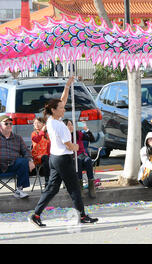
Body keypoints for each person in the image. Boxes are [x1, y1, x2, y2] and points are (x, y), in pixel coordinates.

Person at [29, 76, 98, 228]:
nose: (64, 109)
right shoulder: (61, 126)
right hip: (63, 159)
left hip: (54, 158)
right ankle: (83, 215)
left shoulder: (50, 120)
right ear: (54, 110)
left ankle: (36, 214)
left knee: (52, 189)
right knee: (74, 189)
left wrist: (67, 86)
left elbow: (62, 100)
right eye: (61, 108)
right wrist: (77, 147)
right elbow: (69, 146)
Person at [0, 115, 35, 199]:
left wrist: (30, 161)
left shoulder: (18, 138)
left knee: (23, 161)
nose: (9, 125)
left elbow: (26, 151)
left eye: (10, 124)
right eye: (6, 124)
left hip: (13, 165)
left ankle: (19, 190)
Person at [62, 119, 96, 198]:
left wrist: (86, 129)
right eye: (68, 125)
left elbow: (92, 139)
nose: (70, 126)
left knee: (88, 160)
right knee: (78, 161)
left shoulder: (78, 133)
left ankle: (91, 187)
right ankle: (79, 188)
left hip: (82, 154)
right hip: (72, 157)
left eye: (71, 125)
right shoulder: (64, 136)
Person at [31, 117, 51, 188]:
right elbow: (36, 140)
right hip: (38, 156)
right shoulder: (34, 134)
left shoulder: (48, 134)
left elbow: (50, 147)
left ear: (44, 124)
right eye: (35, 123)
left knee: (56, 158)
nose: (36, 124)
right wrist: (42, 131)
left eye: (39, 123)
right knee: (46, 158)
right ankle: (47, 181)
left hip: (47, 156)